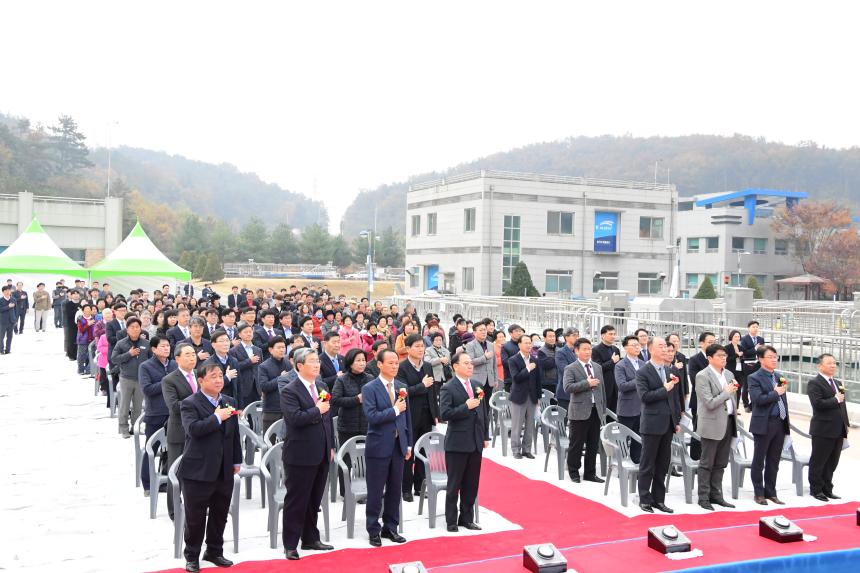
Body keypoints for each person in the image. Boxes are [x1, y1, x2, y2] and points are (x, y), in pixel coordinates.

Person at [177, 362, 242, 572]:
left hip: (224, 469)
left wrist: (236, 460)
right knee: (195, 517)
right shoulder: (189, 403)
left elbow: (234, 435)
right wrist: (216, 417)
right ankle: (192, 556)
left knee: (220, 513)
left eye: (221, 375)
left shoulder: (229, 401)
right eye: (213, 376)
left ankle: (214, 551)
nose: (218, 380)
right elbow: (194, 430)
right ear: (201, 380)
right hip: (198, 470)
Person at [280, 348, 335, 560]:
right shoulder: (289, 390)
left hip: (321, 451)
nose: (317, 365)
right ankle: (291, 543)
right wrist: (316, 410)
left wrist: (330, 446)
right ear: (299, 365)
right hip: (300, 453)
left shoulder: (321, 386)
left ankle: (311, 538)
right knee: (297, 499)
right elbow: (294, 418)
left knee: (314, 499)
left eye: (317, 361)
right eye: (312, 361)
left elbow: (328, 420)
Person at [362, 349, 411, 547]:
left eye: (396, 363)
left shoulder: (401, 386)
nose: (394, 366)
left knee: (394, 489)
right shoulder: (370, 388)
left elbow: (407, 417)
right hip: (378, 445)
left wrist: (408, 443)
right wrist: (394, 410)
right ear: (379, 364)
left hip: (398, 446)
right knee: (375, 489)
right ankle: (373, 528)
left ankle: (391, 526)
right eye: (390, 362)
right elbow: (372, 417)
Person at [439, 352, 488, 532]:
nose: (470, 366)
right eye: (466, 363)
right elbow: (444, 414)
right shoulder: (448, 387)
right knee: (455, 484)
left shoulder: (477, 385)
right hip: (457, 442)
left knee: (471, 483)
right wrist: (465, 407)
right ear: (455, 366)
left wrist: (485, 436)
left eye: (471, 363)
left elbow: (484, 413)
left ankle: (467, 518)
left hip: (475, 441)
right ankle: (451, 521)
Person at [635, 337, 682, 514]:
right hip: (652, 423)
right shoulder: (643, 372)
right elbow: (645, 397)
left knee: (663, 464)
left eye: (666, 346)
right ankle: (645, 499)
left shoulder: (669, 369)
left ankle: (659, 500)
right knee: (648, 463)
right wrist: (665, 388)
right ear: (651, 349)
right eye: (661, 346)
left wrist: (675, 420)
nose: (665, 349)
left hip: (668, 423)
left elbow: (674, 399)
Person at [694, 343, 738, 510]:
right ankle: (703, 497)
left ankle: (716, 495)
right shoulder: (702, 376)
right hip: (711, 424)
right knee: (707, 463)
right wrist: (726, 392)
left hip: (728, 422)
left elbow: (733, 398)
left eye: (725, 355)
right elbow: (709, 403)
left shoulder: (728, 374)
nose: (723, 358)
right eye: (720, 355)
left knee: (721, 462)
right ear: (710, 358)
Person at [396, 333, 437, 500]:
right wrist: (422, 385)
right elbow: (402, 391)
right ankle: (405, 488)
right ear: (408, 349)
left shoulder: (427, 366)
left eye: (422, 346)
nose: (421, 349)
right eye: (417, 346)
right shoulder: (401, 367)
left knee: (423, 451)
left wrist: (435, 414)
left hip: (426, 415)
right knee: (408, 451)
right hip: (410, 415)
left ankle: (420, 487)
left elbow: (433, 391)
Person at [747, 345, 789, 505]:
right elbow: (757, 400)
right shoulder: (754, 377)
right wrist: (775, 393)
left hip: (780, 423)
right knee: (759, 459)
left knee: (774, 460)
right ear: (760, 359)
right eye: (770, 357)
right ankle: (759, 493)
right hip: (764, 423)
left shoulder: (779, 376)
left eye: (775, 357)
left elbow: (783, 400)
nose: (774, 359)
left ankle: (771, 491)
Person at [161, 342, 199, 520]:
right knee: (175, 472)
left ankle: (195, 506)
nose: (192, 358)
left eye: (193, 354)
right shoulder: (169, 380)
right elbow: (174, 406)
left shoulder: (200, 374)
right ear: (177, 359)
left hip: (199, 430)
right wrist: (200, 402)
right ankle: (174, 510)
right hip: (179, 431)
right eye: (188, 355)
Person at [563, 337, 607, 483]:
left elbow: (602, 390)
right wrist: (586, 383)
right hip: (579, 411)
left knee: (593, 444)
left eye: (590, 349)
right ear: (576, 351)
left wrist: (603, 408)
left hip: (596, 410)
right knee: (576, 443)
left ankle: (590, 473)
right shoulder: (571, 368)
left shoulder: (597, 367)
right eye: (584, 349)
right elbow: (568, 388)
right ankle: (574, 471)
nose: (588, 351)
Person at [807, 353, 849, 502]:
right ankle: (816, 490)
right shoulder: (814, 383)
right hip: (823, 429)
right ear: (820, 365)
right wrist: (835, 399)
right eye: (829, 363)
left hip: (838, 429)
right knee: (819, 461)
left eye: (834, 363)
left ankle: (827, 488)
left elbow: (842, 406)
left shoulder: (837, 383)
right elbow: (817, 404)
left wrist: (846, 424)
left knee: (832, 462)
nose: (833, 365)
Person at [138, 335, 177, 495]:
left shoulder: (174, 364)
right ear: (154, 349)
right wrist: (167, 381)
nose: (166, 348)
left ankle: (166, 480)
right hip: (156, 413)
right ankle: (147, 484)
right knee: (151, 448)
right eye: (162, 346)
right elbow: (147, 389)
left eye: (168, 345)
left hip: (173, 413)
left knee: (171, 449)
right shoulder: (145, 366)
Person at [331, 348, 371, 496]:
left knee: (366, 460)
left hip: (367, 424)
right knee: (346, 460)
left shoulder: (370, 378)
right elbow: (335, 400)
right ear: (350, 362)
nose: (362, 363)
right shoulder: (342, 379)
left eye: (363, 360)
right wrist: (356, 399)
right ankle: (345, 491)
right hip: (347, 426)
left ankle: (365, 489)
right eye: (358, 360)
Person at [113, 317, 151, 438]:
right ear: (127, 329)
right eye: (132, 327)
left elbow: (151, 360)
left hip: (141, 379)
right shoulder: (121, 343)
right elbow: (114, 359)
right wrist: (129, 354)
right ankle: (123, 428)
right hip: (126, 378)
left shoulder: (146, 343)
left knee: (138, 406)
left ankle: (135, 427)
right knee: (124, 405)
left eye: (137, 327)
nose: (135, 329)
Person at [508, 335, 542, 460]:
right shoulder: (513, 360)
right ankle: (515, 449)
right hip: (519, 396)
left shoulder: (535, 359)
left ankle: (527, 449)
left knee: (530, 424)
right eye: (526, 343)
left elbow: (538, 380)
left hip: (532, 396)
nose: (529, 345)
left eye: (530, 343)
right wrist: (527, 369)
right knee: (517, 424)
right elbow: (516, 378)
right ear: (519, 345)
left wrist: (538, 396)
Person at [614, 335, 644, 463]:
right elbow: (622, 386)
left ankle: (636, 465)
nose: (637, 347)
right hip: (627, 408)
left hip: (642, 408)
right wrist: (639, 380)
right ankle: (622, 466)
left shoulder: (643, 364)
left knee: (638, 439)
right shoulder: (621, 365)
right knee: (623, 439)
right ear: (626, 348)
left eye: (638, 345)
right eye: (634, 345)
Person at [687, 331, 716, 461]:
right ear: (701, 343)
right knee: (698, 430)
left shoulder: (717, 359)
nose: (712, 345)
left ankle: (709, 459)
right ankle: (696, 459)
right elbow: (696, 381)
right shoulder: (694, 360)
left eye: (714, 342)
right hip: (699, 402)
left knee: (712, 432)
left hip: (716, 402)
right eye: (710, 342)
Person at [256, 336, 291, 435]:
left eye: (283, 347)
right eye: (279, 347)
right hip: (272, 409)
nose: (282, 350)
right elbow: (264, 387)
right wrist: (280, 378)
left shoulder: (288, 364)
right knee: (270, 441)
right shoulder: (264, 366)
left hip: (287, 407)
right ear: (271, 350)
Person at [465, 321, 497, 418]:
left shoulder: (490, 344)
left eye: (485, 330)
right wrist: (485, 357)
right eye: (481, 330)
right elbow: (470, 361)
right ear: (474, 333)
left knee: (487, 404)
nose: (484, 332)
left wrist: (495, 379)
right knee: (478, 403)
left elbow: (494, 363)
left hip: (489, 381)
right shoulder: (470, 345)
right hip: (478, 381)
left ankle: (485, 426)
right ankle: (477, 424)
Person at [229, 321, 263, 409]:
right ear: (239, 334)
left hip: (257, 387)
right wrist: (249, 361)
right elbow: (234, 367)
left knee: (257, 412)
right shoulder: (234, 350)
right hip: (243, 387)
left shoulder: (258, 350)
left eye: (250, 332)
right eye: (246, 332)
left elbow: (260, 368)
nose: (249, 334)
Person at [591, 325, 620, 416]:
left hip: (616, 385)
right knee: (604, 412)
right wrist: (612, 361)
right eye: (610, 334)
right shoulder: (596, 350)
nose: (613, 336)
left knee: (615, 412)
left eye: (614, 334)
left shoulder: (616, 349)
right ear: (602, 336)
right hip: (604, 385)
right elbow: (598, 368)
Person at [202, 330, 239, 398]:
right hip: (217, 400)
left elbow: (239, 385)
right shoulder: (209, 364)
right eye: (221, 341)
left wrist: (240, 407)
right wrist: (227, 377)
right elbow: (210, 386)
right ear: (213, 345)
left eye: (227, 340)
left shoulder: (234, 361)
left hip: (233, 401)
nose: (225, 344)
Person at [554, 327, 579, 413]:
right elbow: (565, 370)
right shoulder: (561, 352)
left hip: (579, 391)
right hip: (565, 392)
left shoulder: (579, 351)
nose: (577, 337)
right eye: (574, 335)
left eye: (578, 335)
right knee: (563, 420)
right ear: (566, 337)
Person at [724, 330, 749, 412]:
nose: (737, 338)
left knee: (738, 391)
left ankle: (736, 408)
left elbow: (744, 359)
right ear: (731, 337)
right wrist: (737, 355)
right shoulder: (727, 347)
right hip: (731, 371)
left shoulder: (741, 347)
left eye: (738, 336)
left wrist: (742, 357)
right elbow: (727, 359)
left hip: (740, 372)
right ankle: (728, 407)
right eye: (735, 336)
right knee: (730, 390)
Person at [500, 324, 524, 392]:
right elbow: (505, 363)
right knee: (510, 402)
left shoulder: (525, 344)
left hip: (525, 379)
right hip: (511, 380)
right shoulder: (505, 346)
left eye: (520, 331)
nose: (519, 333)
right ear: (510, 333)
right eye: (516, 331)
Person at [76, 303, 96, 375]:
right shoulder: (80, 319)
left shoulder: (94, 318)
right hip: (82, 340)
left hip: (92, 340)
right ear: (83, 311)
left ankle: (88, 370)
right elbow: (81, 330)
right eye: (86, 310)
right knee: (81, 356)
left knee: (91, 356)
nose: (87, 311)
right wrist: (88, 324)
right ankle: (80, 369)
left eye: (89, 310)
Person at [63, 290, 81, 360]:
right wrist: (78, 309)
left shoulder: (81, 303)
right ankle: (71, 355)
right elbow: (70, 314)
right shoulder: (68, 304)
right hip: (72, 325)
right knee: (72, 339)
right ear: (71, 295)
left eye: (77, 294)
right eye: (74, 294)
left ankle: (78, 354)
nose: (76, 295)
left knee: (80, 339)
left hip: (81, 324)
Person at [0, 285, 15, 354]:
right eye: (5, 291)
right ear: (3, 292)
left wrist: (15, 319)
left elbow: (15, 311)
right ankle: (1, 350)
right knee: (1, 337)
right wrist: (8, 306)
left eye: (9, 290)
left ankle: (8, 350)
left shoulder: (13, 299)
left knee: (10, 337)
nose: (7, 292)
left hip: (11, 321)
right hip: (3, 322)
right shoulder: (1, 300)